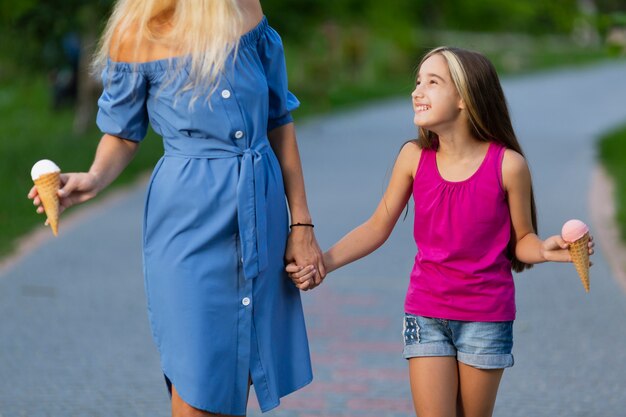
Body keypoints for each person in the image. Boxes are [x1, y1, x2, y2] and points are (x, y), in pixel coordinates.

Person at [28, 0, 325, 416]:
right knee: (198, 377)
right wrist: (93, 178)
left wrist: (301, 223)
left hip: (261, 209)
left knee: (234, 370)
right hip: (188, 222)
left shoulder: (246, 10)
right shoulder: (138, 31)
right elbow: (123, 132)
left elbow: (279, 120)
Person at [287, 46, 594, 417]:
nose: (418, 91)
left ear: (466, 98)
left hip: (486, 317)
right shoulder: (413, 158)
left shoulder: (508, 166)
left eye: (433, 82)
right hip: (426, 313)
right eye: (418, 82)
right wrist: (322, 263)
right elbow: (376, 226)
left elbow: (523, 240)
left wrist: (546, 249)